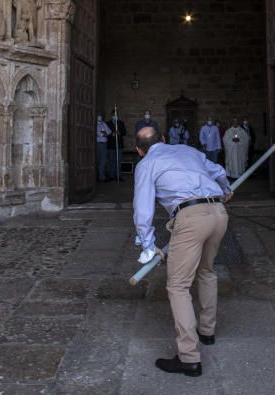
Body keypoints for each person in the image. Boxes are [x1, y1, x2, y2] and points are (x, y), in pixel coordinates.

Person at [132, 126, 233, 377]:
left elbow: (143, 210)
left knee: (178, 286)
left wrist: (147, 245)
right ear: (165, 139)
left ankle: (188, 357)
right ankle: (207, 332)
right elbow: (218, 170)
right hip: (219, 212)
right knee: (207, 271)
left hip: (190, 217)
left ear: (138, 150)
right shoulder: (188, 150)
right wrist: (227, 189)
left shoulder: (146, 164)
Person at [106, 113, 126, 181]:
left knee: (118, 160)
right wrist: (112, 133)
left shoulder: (121, 123)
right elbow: (105, 133)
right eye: (114, 115)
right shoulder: (108, 123)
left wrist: (119, 132)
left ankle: (118, 175)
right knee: (111, 160)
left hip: (119, 144)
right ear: (111, 116)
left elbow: (124, 132)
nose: (115, 116)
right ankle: (111, 175)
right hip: (111, 144)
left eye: (116, 115)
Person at [96, 113, 111, 182]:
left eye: (100, 116)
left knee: (103, 160)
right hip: (99, 143)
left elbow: (109, 131)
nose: (100, 117)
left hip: (104, 143)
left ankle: (101, 176)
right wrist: (104, 133)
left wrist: (104, 133)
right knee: (100, 160)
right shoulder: (95, 124)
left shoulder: (103, 123)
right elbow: (99, 133)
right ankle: (101, 176)